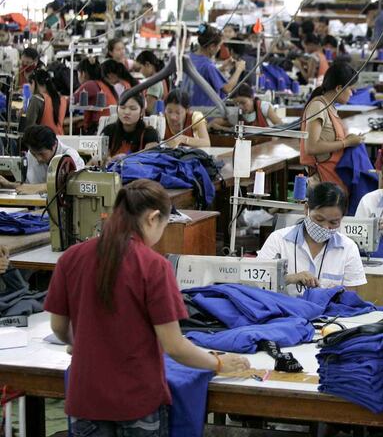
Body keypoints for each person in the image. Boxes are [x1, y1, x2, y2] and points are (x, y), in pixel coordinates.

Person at [44, 179, 250, 434]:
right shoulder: (154, 266)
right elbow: (175, 346)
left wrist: (84, 343)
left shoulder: (71, 258)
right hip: (136, 400)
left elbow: (59, 328)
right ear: (153, 218)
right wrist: (218, 363)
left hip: (85, 398)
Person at [256, 182, 367, 296]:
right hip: (284, 311)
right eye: (319, 219)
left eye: (333, 222)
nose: (325, 227)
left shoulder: (348, 248)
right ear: (306, 209)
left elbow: (349, 299)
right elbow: (256, 284)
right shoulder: (278, 240)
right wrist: (290, 278)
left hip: (329, 313)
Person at [300, 59, 365, 192]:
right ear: (339, 88)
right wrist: (346, 143)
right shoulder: (318, 106)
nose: (352, 94)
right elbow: (311, 147)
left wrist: (349, 140)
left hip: (333, 178)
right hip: (323, 181)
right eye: (350, 89)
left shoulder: (330, 108)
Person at [0, 125, 85, 194]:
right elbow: (27, 187)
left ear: (54, 145)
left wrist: (38, 188)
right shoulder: (31, 154)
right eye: (34, 154)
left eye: (41, 154)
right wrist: (8, 184)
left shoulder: (70, 157)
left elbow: (70, 184)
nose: (38, 159)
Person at [185, 24, 247, 107]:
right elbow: (227, 88)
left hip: (190, 109)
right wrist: (239, 69)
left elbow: (201, 75)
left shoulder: (190, 57)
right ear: (212, 47)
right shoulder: (208, 65)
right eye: (219, 46)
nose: (219, 49)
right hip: (205, 113)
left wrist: (221, 68)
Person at [102, 94, 160, 160]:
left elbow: (150, 160)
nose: (126, 112)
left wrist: (126, 159)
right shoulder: (109, 130)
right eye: (122, 107)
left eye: (133, 109)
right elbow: (102, 158)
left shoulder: (150, 133)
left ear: (142, 111)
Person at [209, 84, 282, 131]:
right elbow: (213, 123)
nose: (240, 107)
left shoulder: (264, 107)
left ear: (252, 98)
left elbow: (281, 126)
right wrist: (222, 128)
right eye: (236, 104)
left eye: (243, 103)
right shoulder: (236, 114)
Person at [24, 69, 67, 135]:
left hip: (43, 141)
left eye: (30, 84)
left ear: (33, 82)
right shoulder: (63, 99)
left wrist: (22, 117)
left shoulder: (37, 99)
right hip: (59, 140)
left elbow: (29, 127)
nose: (30, 88)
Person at [135, 50, 169, 115]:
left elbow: (149, 109)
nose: (140, 72)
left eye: (140, 68)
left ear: (147, 64)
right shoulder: (160, 78)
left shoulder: (154, 82)